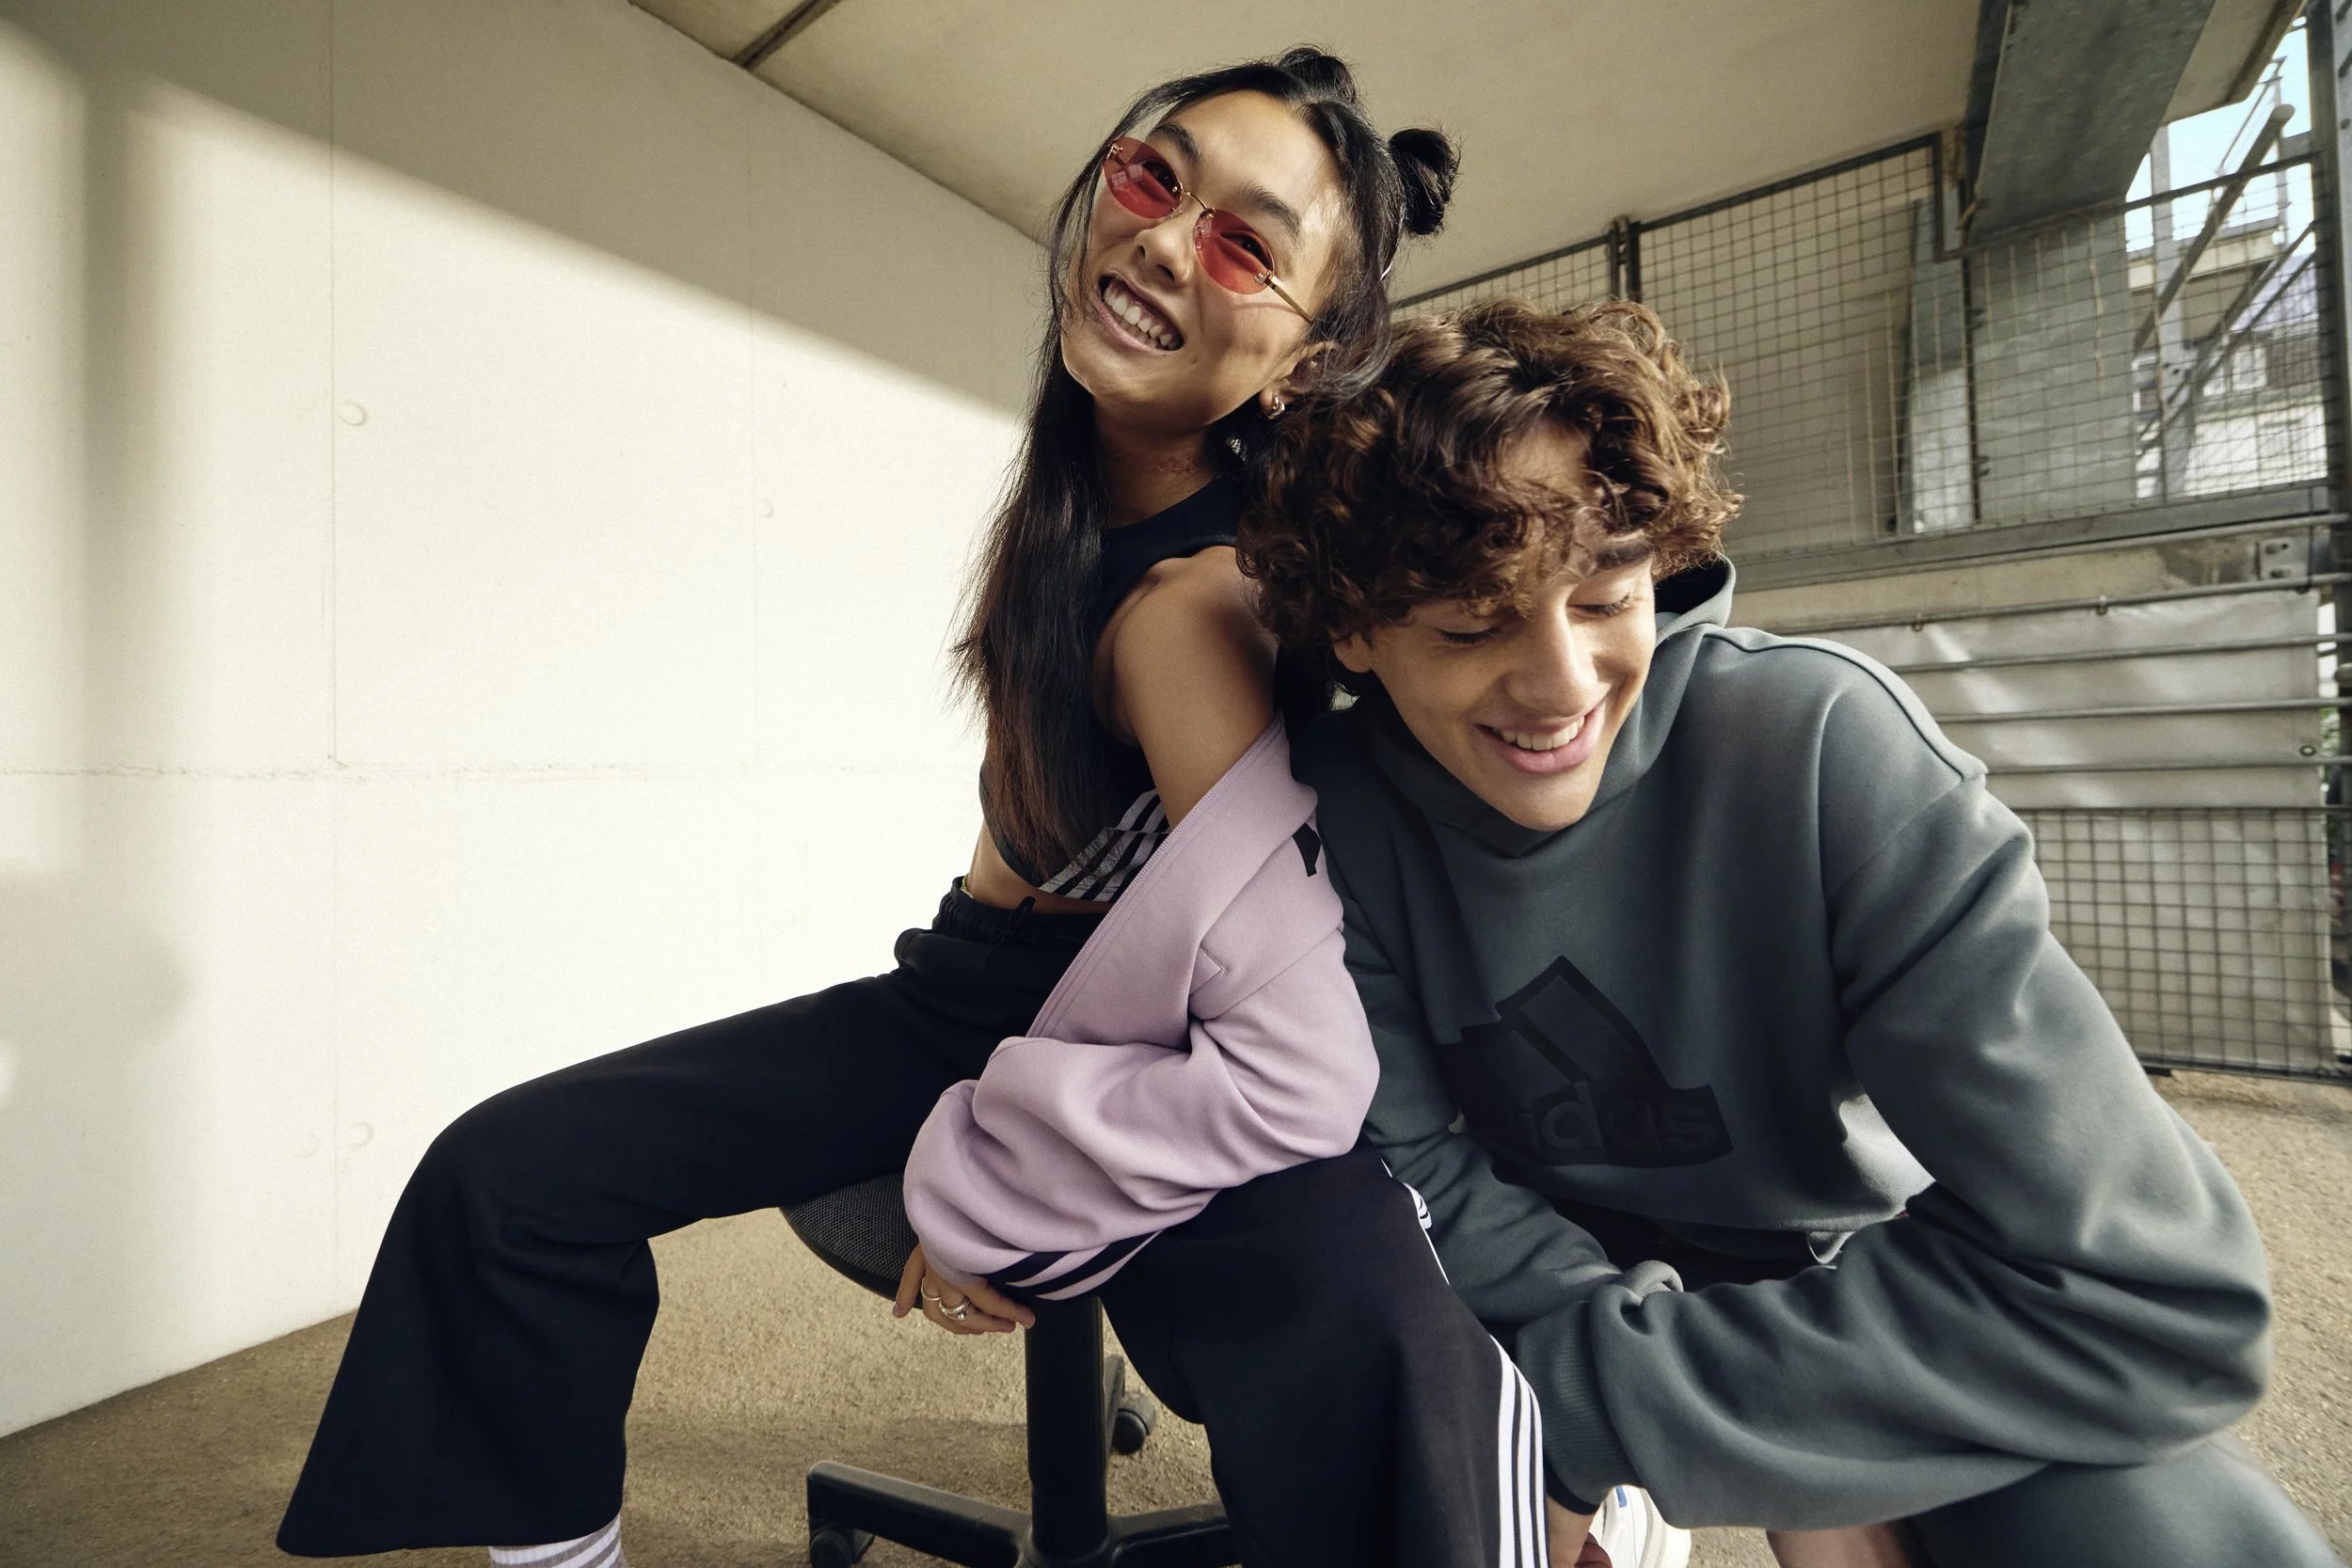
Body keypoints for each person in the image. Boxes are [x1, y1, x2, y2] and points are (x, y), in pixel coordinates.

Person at [278, 49, 1587, 1568]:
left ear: (1308, 354)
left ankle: (1569, 1516)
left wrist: (1009, 1196)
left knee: (1361, 1317)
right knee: (507, 1180)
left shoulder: (1198, 603)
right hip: (957, 988)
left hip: (1112, 1036)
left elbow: (1288, 1059)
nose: (1166, 237)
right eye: (1152, 178)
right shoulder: (1084, 504)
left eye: (1244, 243)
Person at [1237, 297, 2346, 1567]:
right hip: (1509, 1300)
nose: (1561, 684)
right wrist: (1699, 1427)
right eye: (1475, 623)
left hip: (1846, 1280)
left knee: (2179, 1537)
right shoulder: (1318, 816)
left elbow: (2161, 1294)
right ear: (1358, 631)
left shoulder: (1830, 750)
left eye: (1607, 594)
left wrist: (1689, 1425)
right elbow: (1418, 1174)